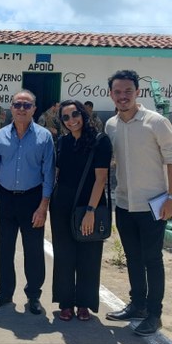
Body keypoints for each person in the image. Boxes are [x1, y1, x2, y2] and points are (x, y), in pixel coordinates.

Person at [104, 70, 172, 336]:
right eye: (117, 92)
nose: (122, 96)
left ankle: (154, 314)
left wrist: (171, 198)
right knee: (132, 258)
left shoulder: (156, 122)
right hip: (124, 204)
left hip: (154, 205)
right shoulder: (111, 125)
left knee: (152, 260)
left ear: (138, 92)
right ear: (111, 94)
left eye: (128, 91)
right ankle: (137, 305)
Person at [0, 89, 55, 315]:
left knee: (33, 250)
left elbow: (48, 173)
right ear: (11, 108)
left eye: (27, 105)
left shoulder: (44, 137)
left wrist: (43, 206)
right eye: (17, 104)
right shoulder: (0, 135)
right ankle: (4, 293)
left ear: (34, 109)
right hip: (5, 199)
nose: (21, 109)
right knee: (5, 248)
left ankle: (33, 296)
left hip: (32, 200)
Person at [50, 100, 112, 321]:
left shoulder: (99, 141)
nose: (71, 120)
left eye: (75, 114)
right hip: (62, 205)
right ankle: (66, 303)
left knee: (89, 255)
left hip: (90, 203)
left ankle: (84, 303)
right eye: (65, 117)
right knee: (64, 254)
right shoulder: (62, 142)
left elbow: (101, 178)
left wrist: (90, 210)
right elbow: (56, 172)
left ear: (83, 114)